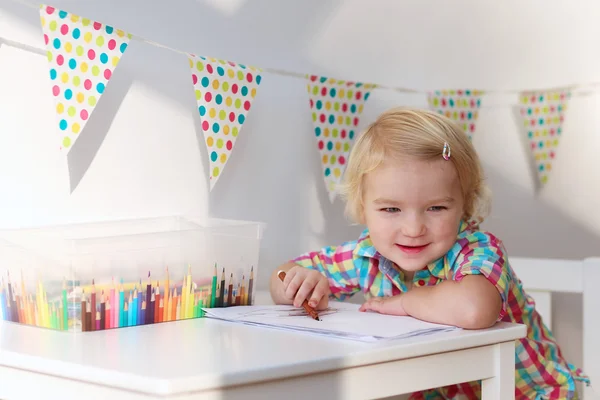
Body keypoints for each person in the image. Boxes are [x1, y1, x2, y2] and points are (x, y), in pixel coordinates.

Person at [269, 107, 589, 399]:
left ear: (464, 205)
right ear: (363, 207)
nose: (413, 228)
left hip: (528, 393)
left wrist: (403, 303)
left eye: (435, 207)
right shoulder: (367, 256)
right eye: (391, 209)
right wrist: (299, 283)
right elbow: (283, 274)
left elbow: (474, 309)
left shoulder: (476, 249)